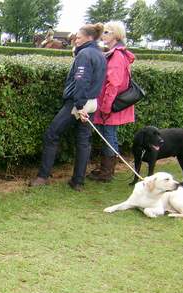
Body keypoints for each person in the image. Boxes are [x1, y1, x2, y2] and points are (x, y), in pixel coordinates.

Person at [29, 23, 107, 191]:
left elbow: (81, 80)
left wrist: (79, 105)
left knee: (52, 134)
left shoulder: (85, 54)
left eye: (78, 37)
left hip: (78, 103)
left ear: (89, 38)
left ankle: (43, 177)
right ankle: (77, 182)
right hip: (92, 103)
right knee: (83, 141)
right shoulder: (100, 54)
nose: (75, 40)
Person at [88, 21, 135, 182]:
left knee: (108, 136)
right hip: (107, 103)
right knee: (107, 135)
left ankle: (107, 172)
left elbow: (113, 84)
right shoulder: (112, 53)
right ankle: (106, 169)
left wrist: (106, 107)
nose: (103, 35)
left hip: (110, 105)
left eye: (107, 32)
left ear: (116, 35)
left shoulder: (116, 56)